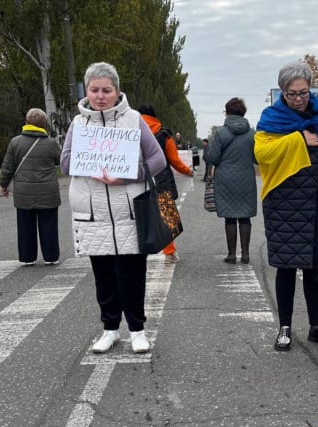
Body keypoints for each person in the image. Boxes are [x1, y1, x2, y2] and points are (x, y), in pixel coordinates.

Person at [60, 62, 167, 354]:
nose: (100, 95)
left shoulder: (134, 120)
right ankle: (110, 329)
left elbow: (157, 160)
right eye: (94, 90)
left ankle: (137, 330)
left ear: (117, 91)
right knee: (104, 277)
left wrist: (127, 174)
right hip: (93, 215)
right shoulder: (78, 125)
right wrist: (90, 165)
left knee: (132, 276)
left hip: (130, 212)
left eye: (106, 89)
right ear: (87, 91)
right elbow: (66, 162)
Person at [255, 61, 318, 352]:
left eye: (303, 93)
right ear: (282, 92)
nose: (298, 99)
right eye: (291, 93)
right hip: (284, 206)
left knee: (316, 270)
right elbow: (262, 153)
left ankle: (316, 326)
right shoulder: (272, 119)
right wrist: (299, 140)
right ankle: (284, 327)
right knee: (286, 269)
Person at [0, 108, 62, 266]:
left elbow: (8, 167)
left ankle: (28, 258)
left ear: (27, 123)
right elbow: (60, 161)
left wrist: (4, 185)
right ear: (44, 124)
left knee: (25, 225)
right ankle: (51, 257)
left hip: (23, 192)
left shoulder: (15, 142)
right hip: (48, 192)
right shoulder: (51, 144)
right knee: (49, 226)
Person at [137, 104, 194, 264]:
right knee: (167, 217)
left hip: (137, 181)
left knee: (137, 217)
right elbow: (174, 161)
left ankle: (136, 253)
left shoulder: (131, 132)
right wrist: (187, 171)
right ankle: (169, 253)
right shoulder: (164, 135)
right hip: (162, 181)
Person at [205, 97, 257, 264]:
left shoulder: (221, 133)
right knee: (245, 216)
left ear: (227, 113)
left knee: (230, 217)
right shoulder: (251, 133)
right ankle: (246, 253)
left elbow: (213, 157)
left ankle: (232, 254)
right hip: (247, 177)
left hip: (226, 178)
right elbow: (257, 158)